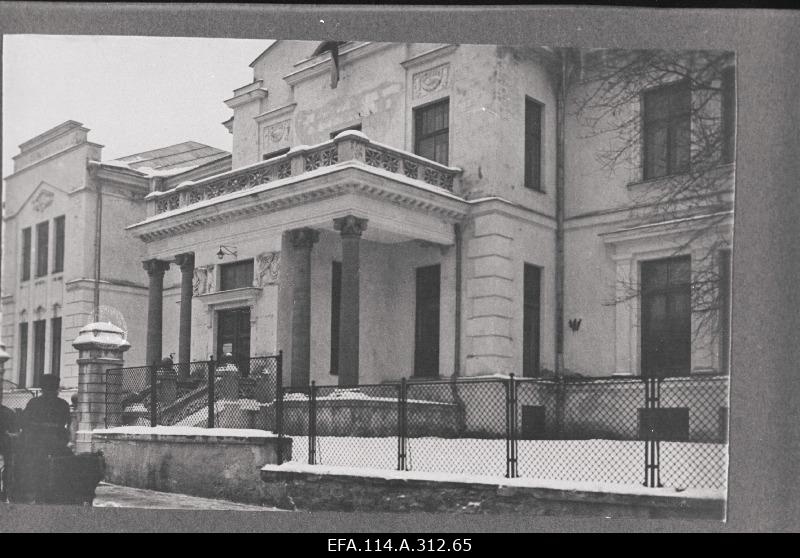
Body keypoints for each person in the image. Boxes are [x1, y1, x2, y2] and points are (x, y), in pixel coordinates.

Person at [14, 375, 72, 502]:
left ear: (42, 389)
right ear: (57, 389)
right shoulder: (63, 404)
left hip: (36, 444)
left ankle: (23, 491)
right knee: (68, 464)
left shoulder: (34, 403)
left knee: (20, 463)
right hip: (57, 445)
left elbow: (24, 422)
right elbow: (67, 424)